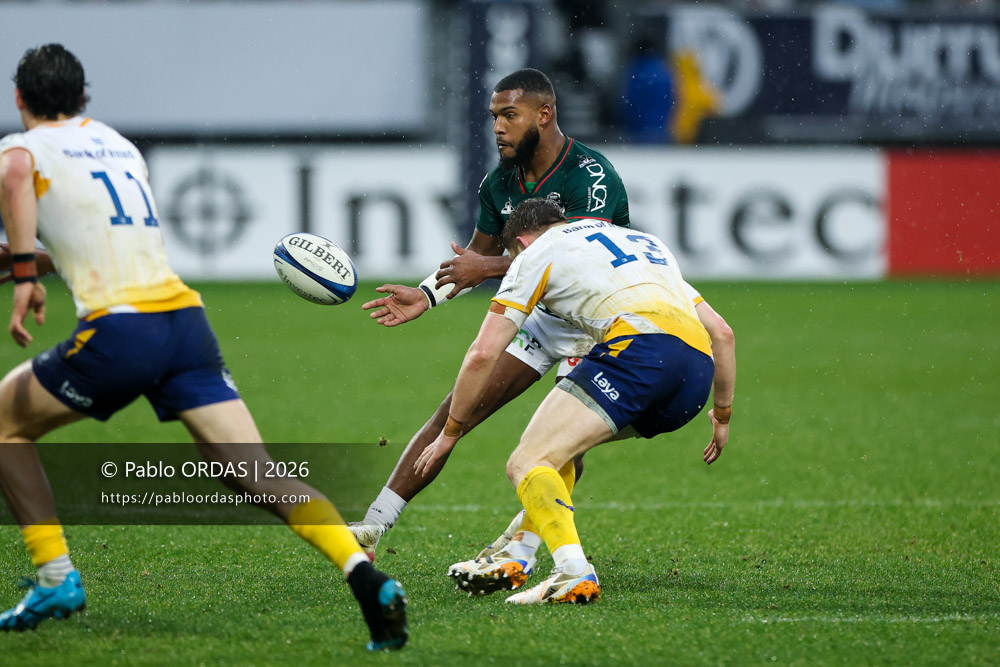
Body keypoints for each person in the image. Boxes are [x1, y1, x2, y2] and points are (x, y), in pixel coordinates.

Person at [0, 44, 407, 649]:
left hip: (120, 331)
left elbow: (14, 175)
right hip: (184, 324)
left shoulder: (20, 147)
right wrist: (27, 260)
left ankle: (55, 577)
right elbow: (100, 236)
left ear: (20, 99)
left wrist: (28, 278)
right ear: (84, 99)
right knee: (256, 472)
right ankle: (363, 573)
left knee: (6, 423)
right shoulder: (120, 146)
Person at [352, 67, 630, 556]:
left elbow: (580, 257)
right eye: (493, 117)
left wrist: (487, 267)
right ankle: (372, 527)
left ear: (544, 115)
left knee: (563, 443)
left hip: (598, 323)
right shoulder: (499, 183)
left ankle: (518, 550)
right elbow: (472, 263)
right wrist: (427, 294)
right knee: (455, 410)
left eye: (509, 115)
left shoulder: (592, 176)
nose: (498, 127)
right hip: (543, 319)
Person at [413, 198, 736, 603]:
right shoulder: (641, 243)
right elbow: (722, 333)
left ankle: (573, 571)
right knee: (559, 450)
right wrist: (721, 415)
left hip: (639, 353)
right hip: (694, 378)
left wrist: (451, 431)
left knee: (527, 462)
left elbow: (483, 353)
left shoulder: (536, 254)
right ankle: (519, 551)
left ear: (520, 246)